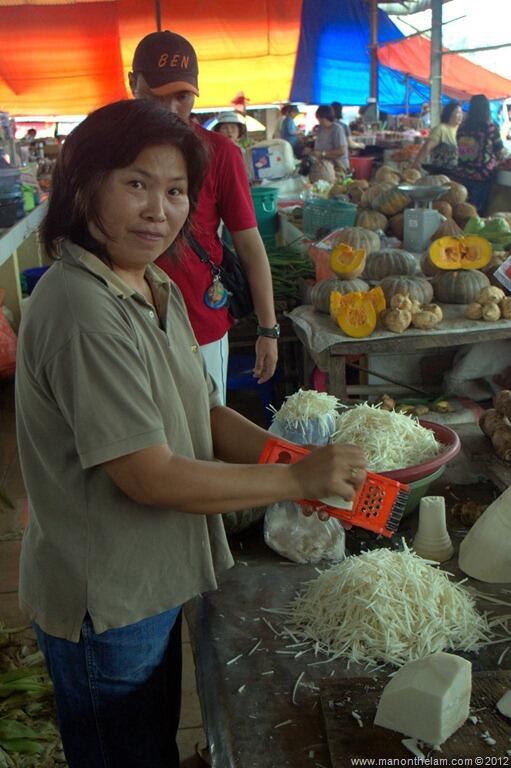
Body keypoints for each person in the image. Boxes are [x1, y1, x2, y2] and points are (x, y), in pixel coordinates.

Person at [14, 97, 367, 768]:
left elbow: (203, 415)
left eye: (175, 190)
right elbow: (148, 474)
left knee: (148, 740)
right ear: (84, 187)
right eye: (136, 184)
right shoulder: (81, 309)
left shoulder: (153, 286)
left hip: (150, 579)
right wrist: (293, 478)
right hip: (106, 598)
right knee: (125, 753)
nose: (160, 209)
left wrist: (297, 458)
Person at [129, 30, 278, 403]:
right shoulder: (113, 151)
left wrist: (268, 328)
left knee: (207, 429)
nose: (169, 109)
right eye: (155, 96)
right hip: (128, 322)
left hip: (200, 321)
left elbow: (248, 243)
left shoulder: (220, 154)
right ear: (133, 84)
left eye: (181, 97)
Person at [456, 94, 507, 215]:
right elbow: (500, 151)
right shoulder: (490, 128)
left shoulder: (462, 128)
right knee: (476, 212)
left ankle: (458, 232)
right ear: (486, 109)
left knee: (460, 211)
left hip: (461, 174)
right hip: (481, 176)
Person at [411, 100, 463, 174]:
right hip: (439, 173)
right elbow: (427, 147)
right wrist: (417, 163)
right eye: (458, 113)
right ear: (449, 114)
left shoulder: (460, 131)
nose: (461, 115)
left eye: (461, 113)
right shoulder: (440, 129)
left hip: (455, 173)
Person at [304, 104, 349, 171]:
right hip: (324, 165)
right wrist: (311, 150)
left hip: (338, 166)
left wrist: (322, 153)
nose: (319, 121)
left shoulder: (337, 129)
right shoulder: (320, 128)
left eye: (320, 119)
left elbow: (341, 151)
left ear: (325, 117)